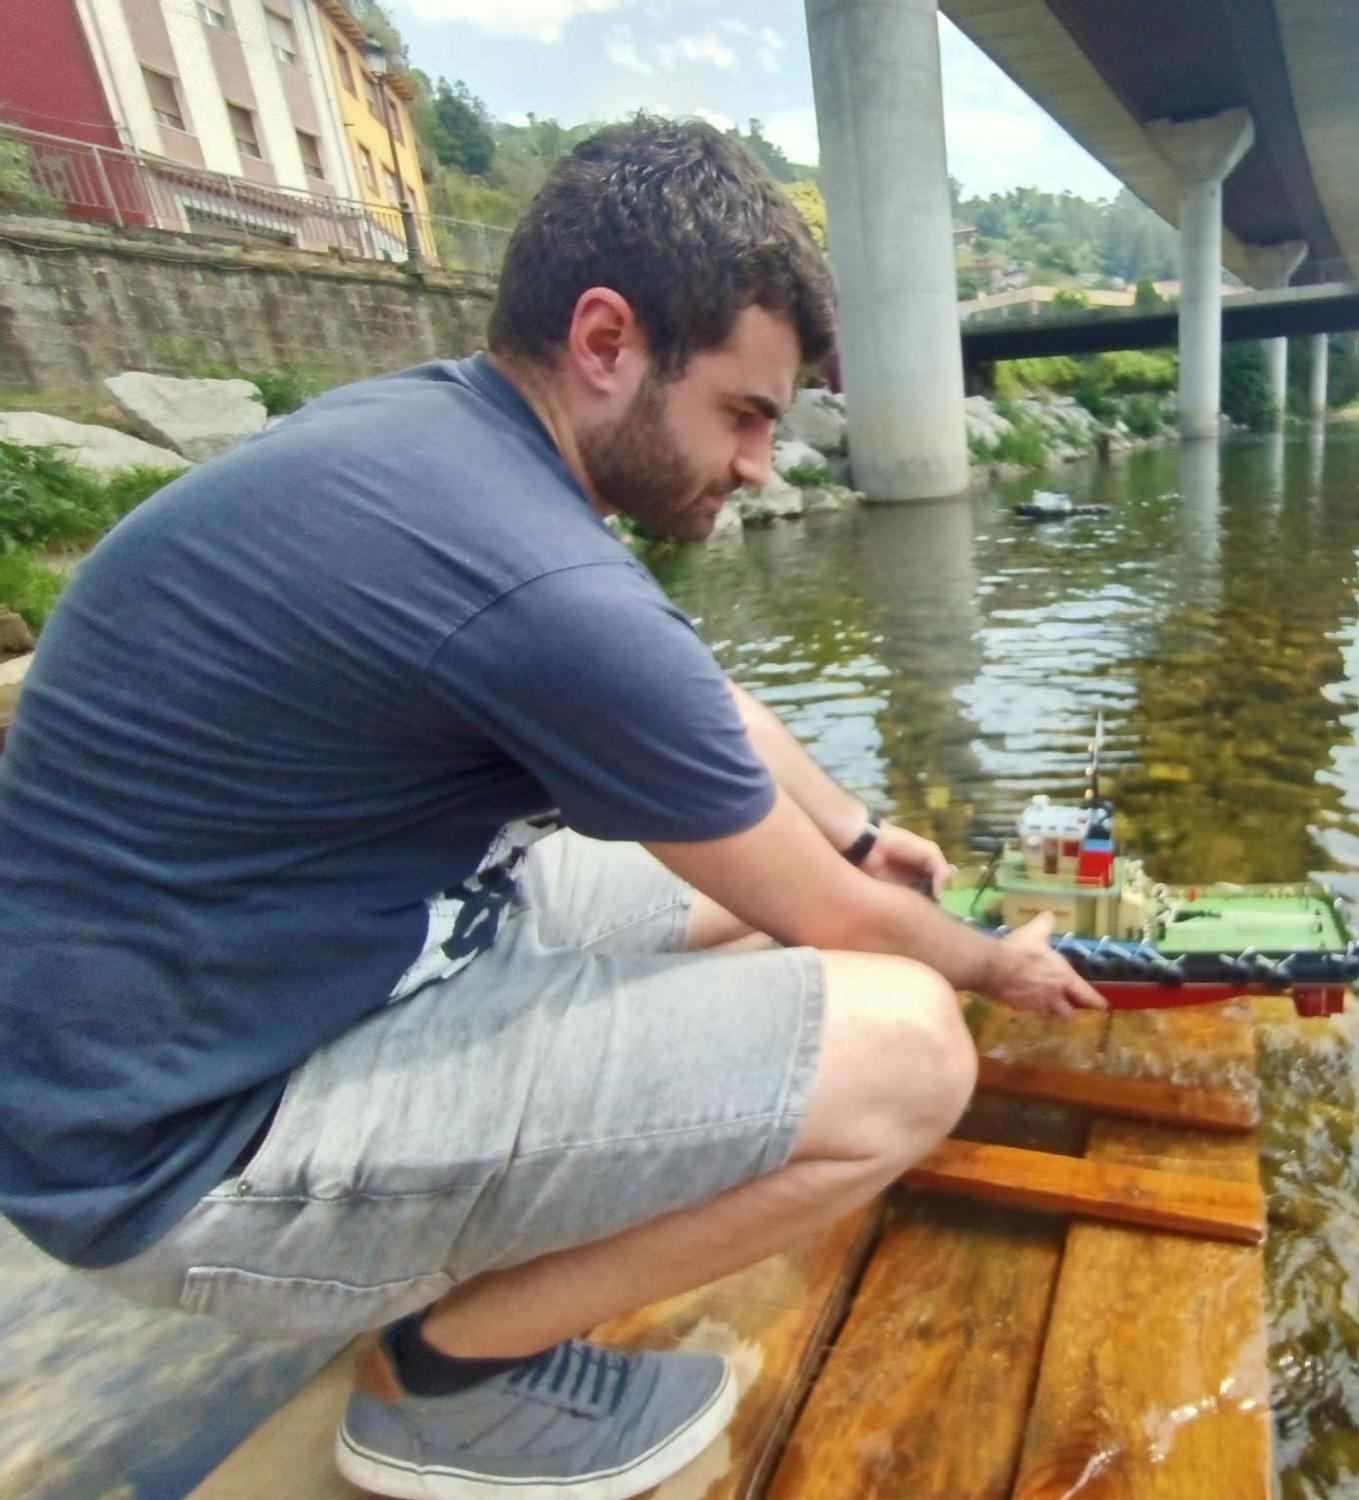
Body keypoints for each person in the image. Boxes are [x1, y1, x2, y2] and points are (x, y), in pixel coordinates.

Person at [0, 119, 1104, 1500]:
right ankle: (448, 1381)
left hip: (231, 988)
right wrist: (994, 959)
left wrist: (861, 833)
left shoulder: (442, 443)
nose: (761, 464)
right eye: (745, 414)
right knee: (911, 1047)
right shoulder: (533, 577)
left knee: (733, 910)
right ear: (606, 340)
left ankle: (500, 1214)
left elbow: (705, 711)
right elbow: (817, 913)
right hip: (178, 1153)